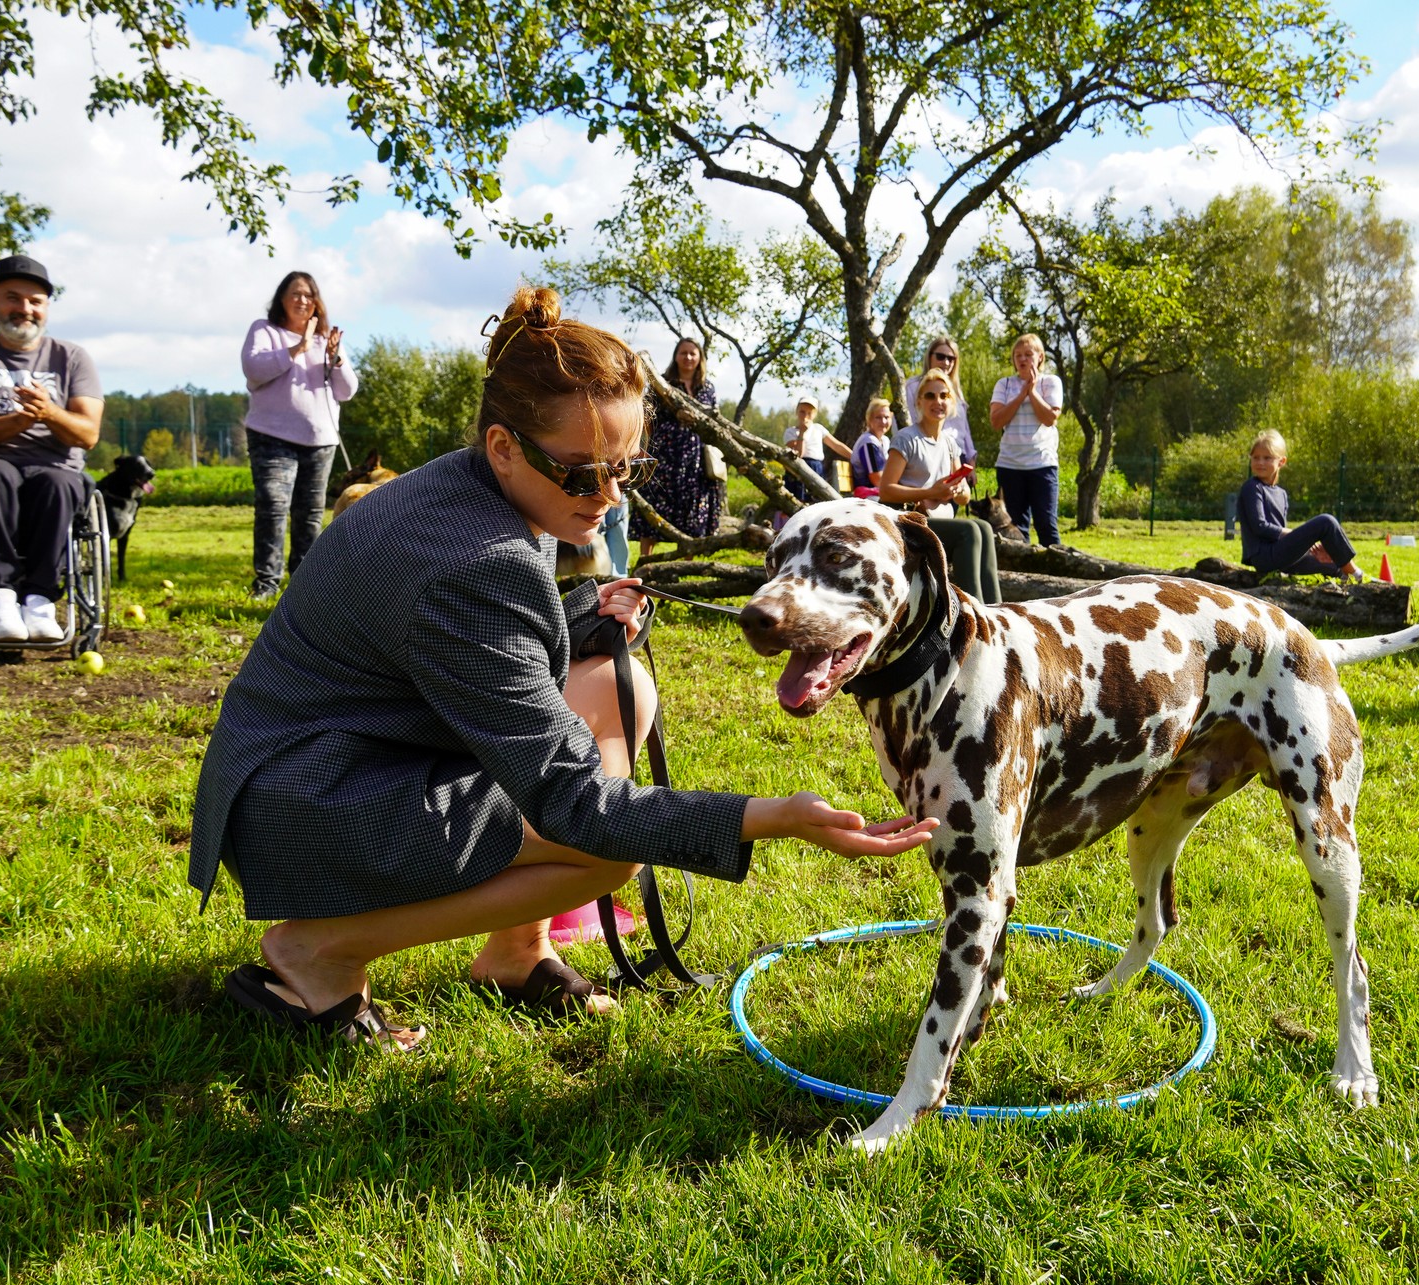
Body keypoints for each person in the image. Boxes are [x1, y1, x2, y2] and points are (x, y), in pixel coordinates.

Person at [189, 285, 937, 1039]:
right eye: (585, 474)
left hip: (342, 758)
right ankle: (317, 950)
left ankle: (517, 952)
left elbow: (464, 648)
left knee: (624, 693)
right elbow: (574, 803)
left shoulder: (486, 490)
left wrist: (582, 613)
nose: (610, 497)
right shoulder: (473, 560)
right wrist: (775, 818)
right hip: (304, 804)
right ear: (505, 446)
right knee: (603, 852)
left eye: (629, 470)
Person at [0, 255, 104, 643]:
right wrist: (19, 421)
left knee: (58, 484)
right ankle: (0, 598)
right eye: (13, 298)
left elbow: (88, 434)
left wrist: (47, 412)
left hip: (56, 468)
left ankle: (41, 601)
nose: (24, 309)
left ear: (45, 308)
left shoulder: (72, 357)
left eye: (35, 301)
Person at [243, 271, 357, 599]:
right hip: (271, 437)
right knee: (273, 505)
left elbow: (347, 391)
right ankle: (266, 582)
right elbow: (254, 369)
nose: (302, 300)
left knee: (308, 515)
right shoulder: (265, 331)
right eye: (295, 294)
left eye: (309, 295)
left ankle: (304, 586)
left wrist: (334, 359)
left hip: (319, 442)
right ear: (281, 299)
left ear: (317, 303)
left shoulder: (327, 341)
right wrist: (297, 348)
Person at [880, 369, 1002, 604]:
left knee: (984, 527)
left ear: (951, 402)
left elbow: (963, 497)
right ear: (919, 402)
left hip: (938, 519)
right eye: (930, 396)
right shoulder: (906, 439)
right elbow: (886, 490)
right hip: (910, 524)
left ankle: (995, 608)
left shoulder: (949, 444)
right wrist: (931, 492)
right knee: (969, 531)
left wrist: (960, 490)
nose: (938, 401)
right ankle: (972, 610)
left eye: (944, 396)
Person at [633, 336, 722, 560]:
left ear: (700, 358)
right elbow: (646, 418)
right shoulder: (662, 383)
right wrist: (643, 448)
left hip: (696, 460)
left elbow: (715, 421)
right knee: (654, 505)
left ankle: (687, 563)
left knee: (692, 512)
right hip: (665, 456)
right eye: (684, 353)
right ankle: (645, 559)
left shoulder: (708, 388)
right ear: (675, 356)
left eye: (693, 353)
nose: (688, 357)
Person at [1235, 430, 1364, 580]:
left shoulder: (1281, 493)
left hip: (1281, 558)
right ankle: (1356, 573)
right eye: (1256, 458)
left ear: (1281, 461)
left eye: (1267, 458)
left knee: (1334, 563)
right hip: (1265, 557)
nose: (1260, 462)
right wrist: (1302, 537)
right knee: (1326, 522)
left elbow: (1281, 535)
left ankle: (1348, 577)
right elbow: (1260, 526)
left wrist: (1308, 548)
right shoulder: (1252, 487)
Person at [988, 333, 1064, 546]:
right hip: (1010, 465)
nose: (1022, 359)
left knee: (1046, 524)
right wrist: (1022, 393)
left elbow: (1050, 418)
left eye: (1028, 354)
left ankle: (1056, 577)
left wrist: (1033, 391)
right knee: (1016, 528)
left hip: (1042, 464)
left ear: (1040, 357)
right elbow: (996, 421)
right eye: (1018, 355)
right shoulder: (1003, 384)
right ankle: (1020, 577)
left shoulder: (1051, 382)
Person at [920, 335, 978, 473]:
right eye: (940, 356)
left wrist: (971, 463)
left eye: (951, 358)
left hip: (959, 457)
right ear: (929, 357)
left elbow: (965, 431)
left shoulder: (956, 392)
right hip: (929, 457)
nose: (946, 362)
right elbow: (906, 423)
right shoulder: (914, 387)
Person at [782, 394, 852, 504]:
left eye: (809, 413)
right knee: (797, 500)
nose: (805, 416)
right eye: (802, 412)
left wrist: (854, 456)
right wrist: (802, 434)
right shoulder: (790, 432)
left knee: (815, 500)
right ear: (797, 411)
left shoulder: (818, 429)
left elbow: (836, 445)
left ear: (814, 414)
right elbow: (798, 454)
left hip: (816, 467)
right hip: (797, 467)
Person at [848, 397, 894, 498]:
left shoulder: (885, 440)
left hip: (878, 491)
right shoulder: (868, 442)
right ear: (869, 419)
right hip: (867, 494)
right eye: (878, 417)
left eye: (886, 417)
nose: (883, 421)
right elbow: (877, 479)